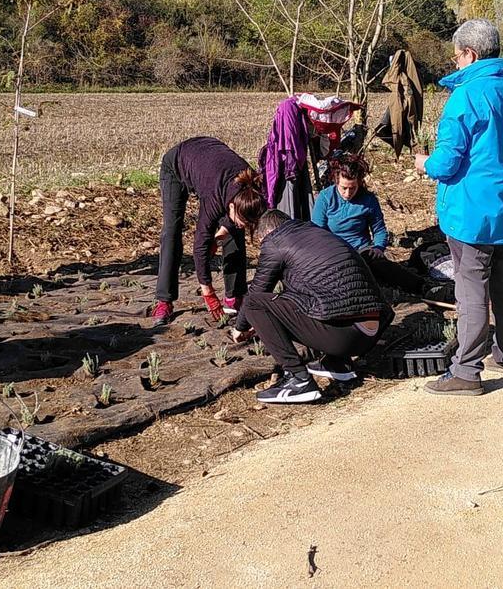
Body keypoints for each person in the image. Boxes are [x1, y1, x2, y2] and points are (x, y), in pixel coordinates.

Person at [413, 19, 503, 396]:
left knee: (471, 292)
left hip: (470, 213)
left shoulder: (464, 98)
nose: (455, 63)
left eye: (457, 56)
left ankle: (466, 371)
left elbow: (447, 163)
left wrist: (424, 164)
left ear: (470, 54)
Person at [232, 210, 392, 403]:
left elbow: (257, 292)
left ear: (266, 233)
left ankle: (298, 379)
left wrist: (240, 327)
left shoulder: (274, 243)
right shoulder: (318, 233)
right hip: (371, 333)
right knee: (320, 294)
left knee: (254, 304)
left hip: (343, 337)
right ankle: (338, 363)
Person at [151, 136, 267, 326]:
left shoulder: (253, 190)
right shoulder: (214, 197)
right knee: (172, 231)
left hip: (211, 165)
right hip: (176, 164)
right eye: (239, 220)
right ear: (230, 206)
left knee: (235, 233)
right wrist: (208, 293)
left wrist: (224, 232)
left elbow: (235, 223)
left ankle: (234, 296)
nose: (243, 226)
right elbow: (200, 246)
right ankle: (164, 300)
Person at [312, 151, 424, 293]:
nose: (347, 193)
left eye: (352, 188)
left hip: (362, 250)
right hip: (334, 250)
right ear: (336, 181)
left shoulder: (368, 200)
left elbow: (379, 229)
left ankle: (421, 287)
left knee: (381, 266)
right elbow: (317, 231)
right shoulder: (325, 197)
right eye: (343, 188)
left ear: (359, 183)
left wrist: (378, 247)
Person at [259, 97, 314, 219]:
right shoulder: (289, 109)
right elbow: (289, 140)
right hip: (289, 166)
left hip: (291, 165)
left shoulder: (289, 109)